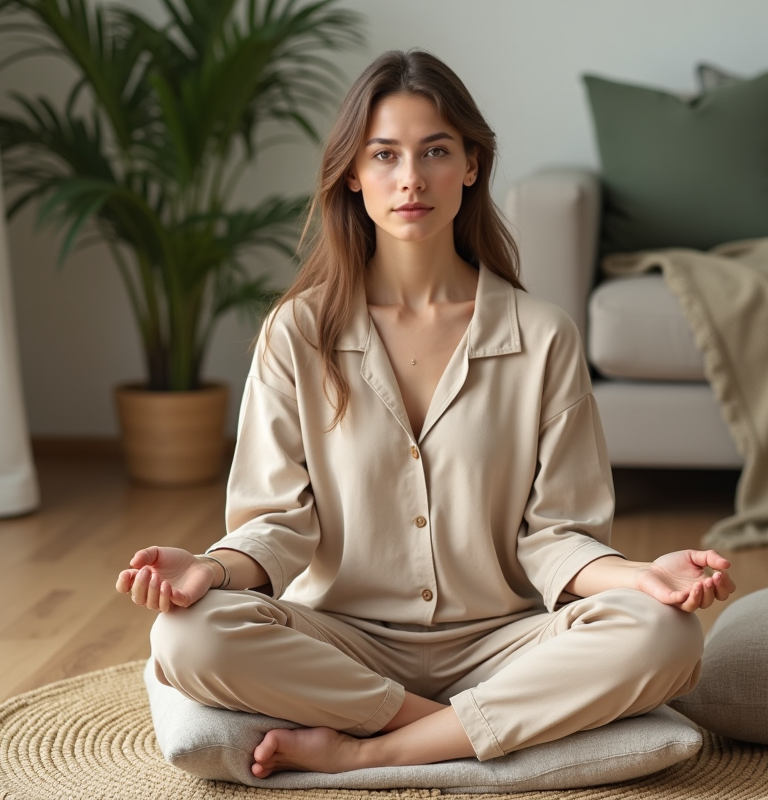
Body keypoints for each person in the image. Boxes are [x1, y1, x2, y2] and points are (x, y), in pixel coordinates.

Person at [115, 49, 736, 778]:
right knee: (186, 639)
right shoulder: (297, 332)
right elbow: (279, 526)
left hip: (505, 641)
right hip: (341, 642)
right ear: (353, 173)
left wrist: (640, 578)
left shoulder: (542, 335)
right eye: (385, 155)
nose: (411, 178)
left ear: (471, 165)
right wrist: (210, 572)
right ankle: (458, 731)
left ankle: (368, 750)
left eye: (435, 151)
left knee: (665, 636)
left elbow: (556, 537)